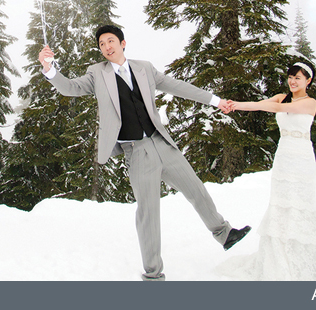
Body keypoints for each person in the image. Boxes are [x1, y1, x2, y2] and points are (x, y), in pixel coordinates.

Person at [38, 25, 251, 281]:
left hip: (161, 143)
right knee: (148, 213)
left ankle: (225, 234)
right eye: (102, 44)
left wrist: (216, 101)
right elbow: (69, 87)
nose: (106, 46)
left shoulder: (145, 68)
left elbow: (178, 86)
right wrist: (50, 69)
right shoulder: (96, 74)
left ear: (122, 43)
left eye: (110, 41)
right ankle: (153, 275)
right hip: (136, 151)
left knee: (196, 189)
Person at [217, 62, 316, 280]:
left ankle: (302, 257)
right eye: (290, 77)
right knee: (280, 203)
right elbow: (258, 105)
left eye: (298, 77)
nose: (293, 81)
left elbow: (279, 109)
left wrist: (266, 105)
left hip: (302, 157)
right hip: (284, 155)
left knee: (300, 204)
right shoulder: (280, 97)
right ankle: (277, 256)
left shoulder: (310, 102)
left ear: (308, 80)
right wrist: (234, 105)